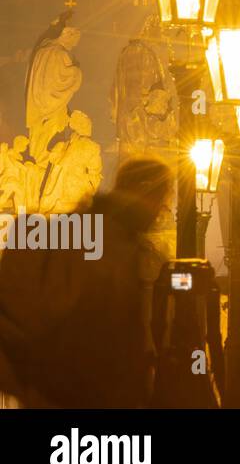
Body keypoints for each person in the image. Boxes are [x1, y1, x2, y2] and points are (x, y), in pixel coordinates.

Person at [0, 157, 171, 407]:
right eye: (162, 201)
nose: (161, 212)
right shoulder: (114, 247)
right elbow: (106, 345)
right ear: (147, 194)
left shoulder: (84, 230)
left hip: (45, 391)